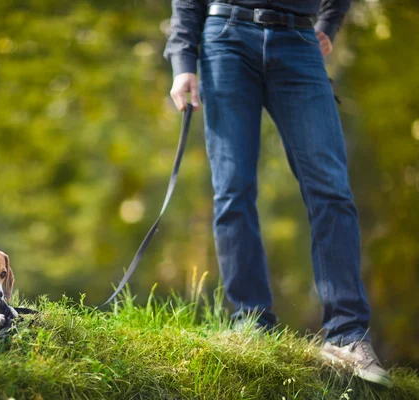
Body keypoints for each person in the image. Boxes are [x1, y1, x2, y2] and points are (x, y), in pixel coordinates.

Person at [164, 0, 392, 388]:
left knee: (332, 190)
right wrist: (182, 58)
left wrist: (330, 23)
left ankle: (348, 335)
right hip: (225, 37)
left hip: (299, 41)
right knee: (233, 190)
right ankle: (252, 325)